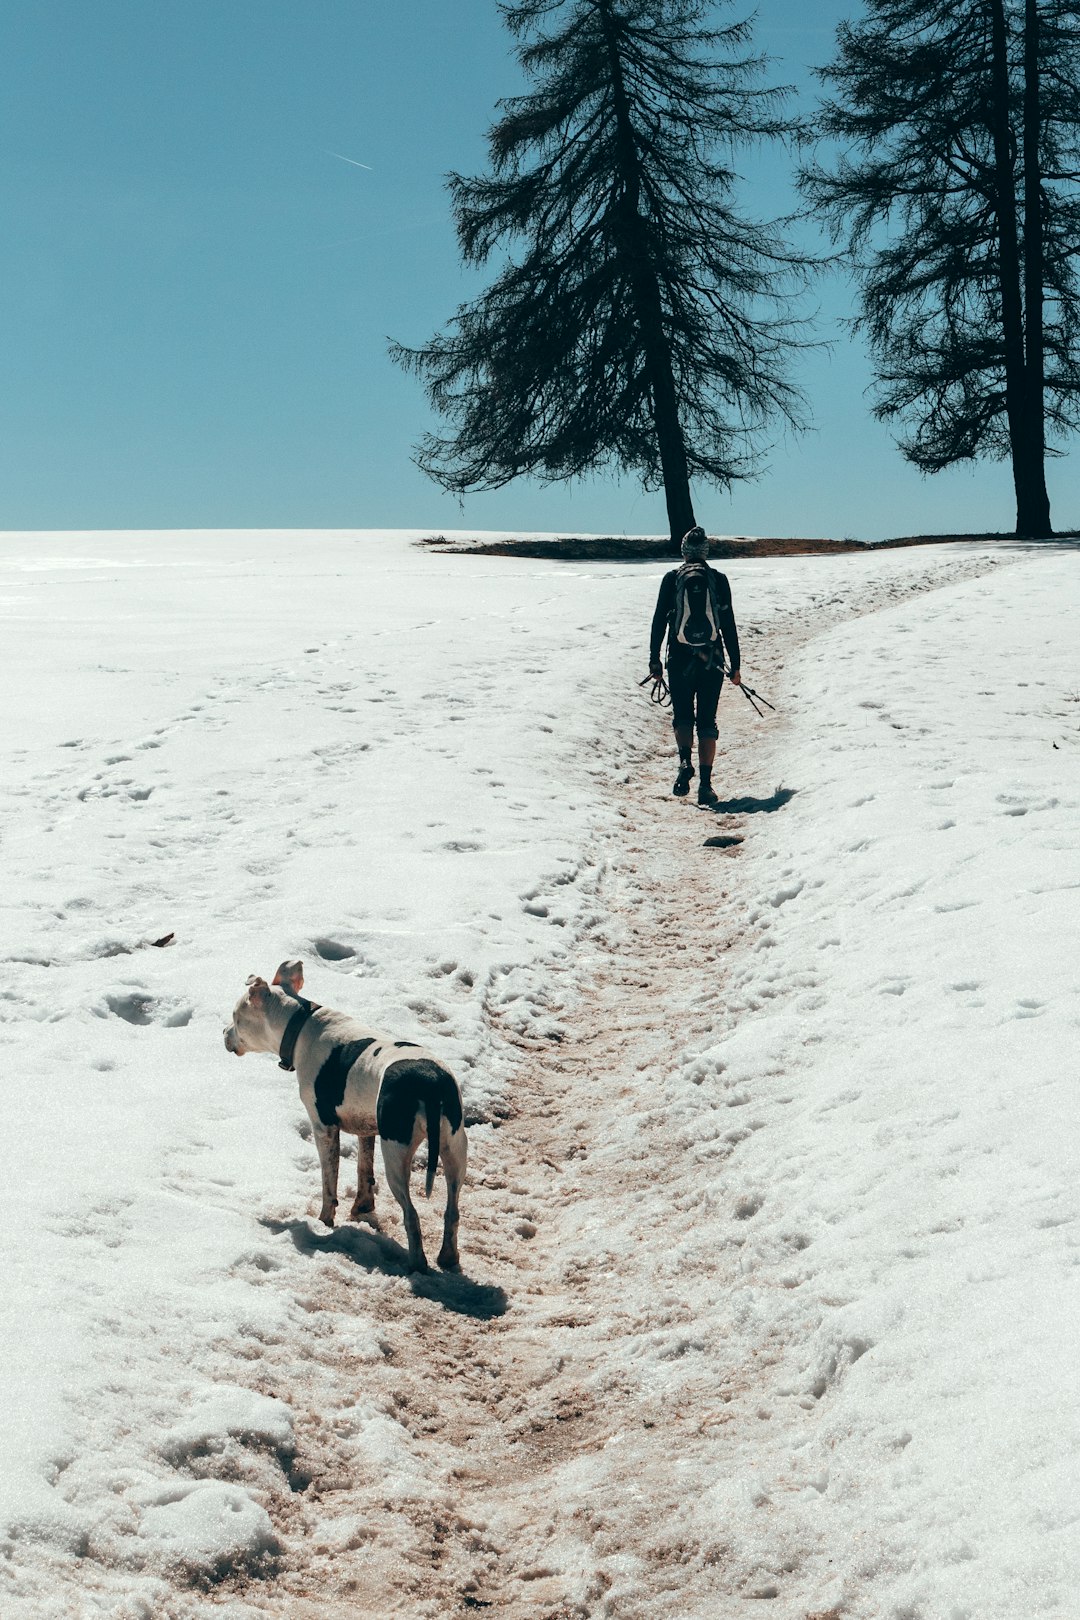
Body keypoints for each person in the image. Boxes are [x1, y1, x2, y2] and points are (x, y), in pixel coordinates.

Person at [648, 526, 742, 807]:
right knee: (707, 721)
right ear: (706, 553)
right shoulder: (718, 580)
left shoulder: (672, 579)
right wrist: (735, 665)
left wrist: (655, 660)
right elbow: (728, 624)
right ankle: (706, 784)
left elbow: (658, 622)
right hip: (711, 659)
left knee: (683, 716)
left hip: (679, 658)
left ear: (684, 553)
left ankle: (684, 763)